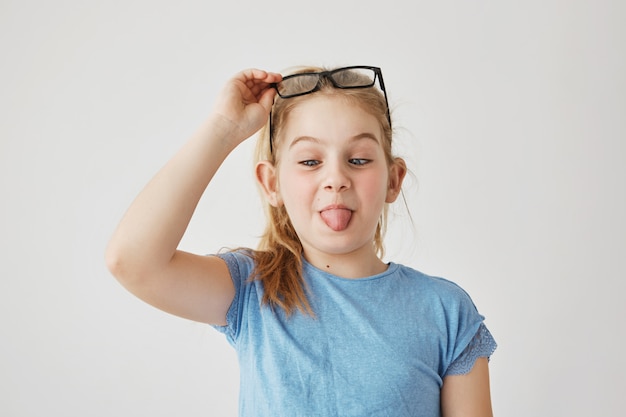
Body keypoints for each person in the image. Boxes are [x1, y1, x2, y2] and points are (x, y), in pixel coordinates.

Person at [106, 66, 497, 416]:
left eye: (358, 159)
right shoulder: (252, 290)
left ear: (393, 180)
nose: (336, 178)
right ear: (271, 183)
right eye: (310, 161)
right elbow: (132, 261)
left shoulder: (445, 311)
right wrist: (224, 128)